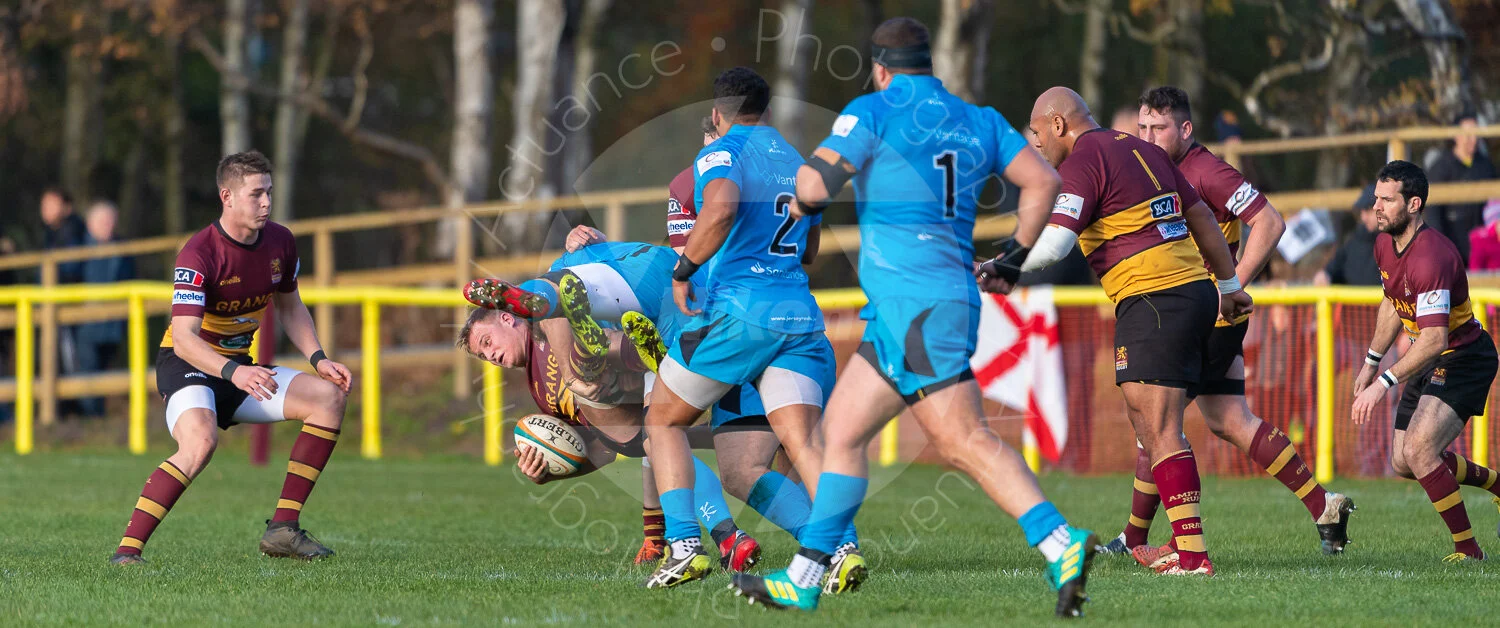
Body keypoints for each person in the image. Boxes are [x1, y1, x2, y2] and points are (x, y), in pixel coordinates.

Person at [733, 18, 1096, 615]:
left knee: (963, 441)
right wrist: (1013, 256)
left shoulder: (873, 111)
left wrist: (801, 193)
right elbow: (1044, 181)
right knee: (844, 434)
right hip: (936, 301)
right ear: (929, 65)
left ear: (880, 70)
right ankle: (803, 576)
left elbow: (815, 187)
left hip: (913, 305)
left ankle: (1061, 542)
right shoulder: (977, 119)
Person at [1104, 87, 1353, 563]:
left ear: (1185, 130)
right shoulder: (1155, 169)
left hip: (1202, 314)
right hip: (1196, 311)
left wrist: (1230, 284)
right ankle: (1325, 505)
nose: (1148, 136)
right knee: (1230, 420)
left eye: (1159, 127)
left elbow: (1271, 222)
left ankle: (1140, 541)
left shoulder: (1206, 170)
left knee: (1156, 425)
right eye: (1142, 127)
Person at [1014, 86, 1252, 577]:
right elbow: (1201, 216)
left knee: (1162, 428)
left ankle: (1194, 556)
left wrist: (1005, 266)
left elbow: (1056, 243)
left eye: (1037, 134)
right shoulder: (1141, 148)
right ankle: (1180, 546)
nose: (1036, 145)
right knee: (1149, 424)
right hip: (1189, 293)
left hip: (1154, 298)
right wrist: (1227, 286)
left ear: (1058, 124)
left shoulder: (1083, 159)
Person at [640, 67, 839, 591]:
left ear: (715, 114)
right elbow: (812, 249)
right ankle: (838, 547)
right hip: (800, 319)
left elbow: (722, 208)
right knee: (778, 452)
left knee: (662, 421)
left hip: (741, 317)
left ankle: (684, 546)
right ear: (768, 112)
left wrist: (684, 270)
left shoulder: (720, 152)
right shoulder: (799, 163)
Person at [110, 151, 353, 565]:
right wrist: (234, 372)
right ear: (227, 196)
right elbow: (184, 340)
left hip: (240, 367)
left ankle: (283, 530)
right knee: (201, 442)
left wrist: (318, 359)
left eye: (269, 193)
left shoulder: (280, 241)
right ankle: (127, 552)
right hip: (188, 365)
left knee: (328, 398)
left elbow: (291, 307)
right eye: (256, 194)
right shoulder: (198, 253)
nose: (266, 203)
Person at [1352, 160, 1500, 561]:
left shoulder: (1433, 256)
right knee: (1404, 462)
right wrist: (1371, 360)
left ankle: (1469, 551)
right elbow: (1391, 301)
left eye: (1387, 199)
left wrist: (1383, 384)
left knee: (1419, 451)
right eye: (1376, 197)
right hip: (1428, 356)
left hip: (1463, 357)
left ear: (1414, 204)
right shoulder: (1384, 242)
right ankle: (1497, 486)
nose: (1376, 206)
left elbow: (1434, 339)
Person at [76, 200, 136, 417]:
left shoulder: (123, 249)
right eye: (102, 221)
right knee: (87, 374)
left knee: (107, 373)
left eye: (111, 220)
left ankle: (102, 420)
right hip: (85, 325)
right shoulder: (78, 250)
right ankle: (90, 420)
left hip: (113, 325)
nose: (107, 225)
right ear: (90, 223)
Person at [1427, 114, 1497, 262]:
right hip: (1452, 250)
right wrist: (1441, 249)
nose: (1474, 139)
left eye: (1476, 134)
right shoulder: (1441, 168)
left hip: (1483, 252)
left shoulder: (1486, 167)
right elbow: (1433, 213)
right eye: (1468, 134)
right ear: (1456, 136)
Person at [1315, 184, 1384, 286]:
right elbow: (1334, 268)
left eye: (1369, 210)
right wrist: (1325, 275)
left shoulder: (1398, 243)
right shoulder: (1355, 241)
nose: (1364, 217)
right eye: (1362, 211)